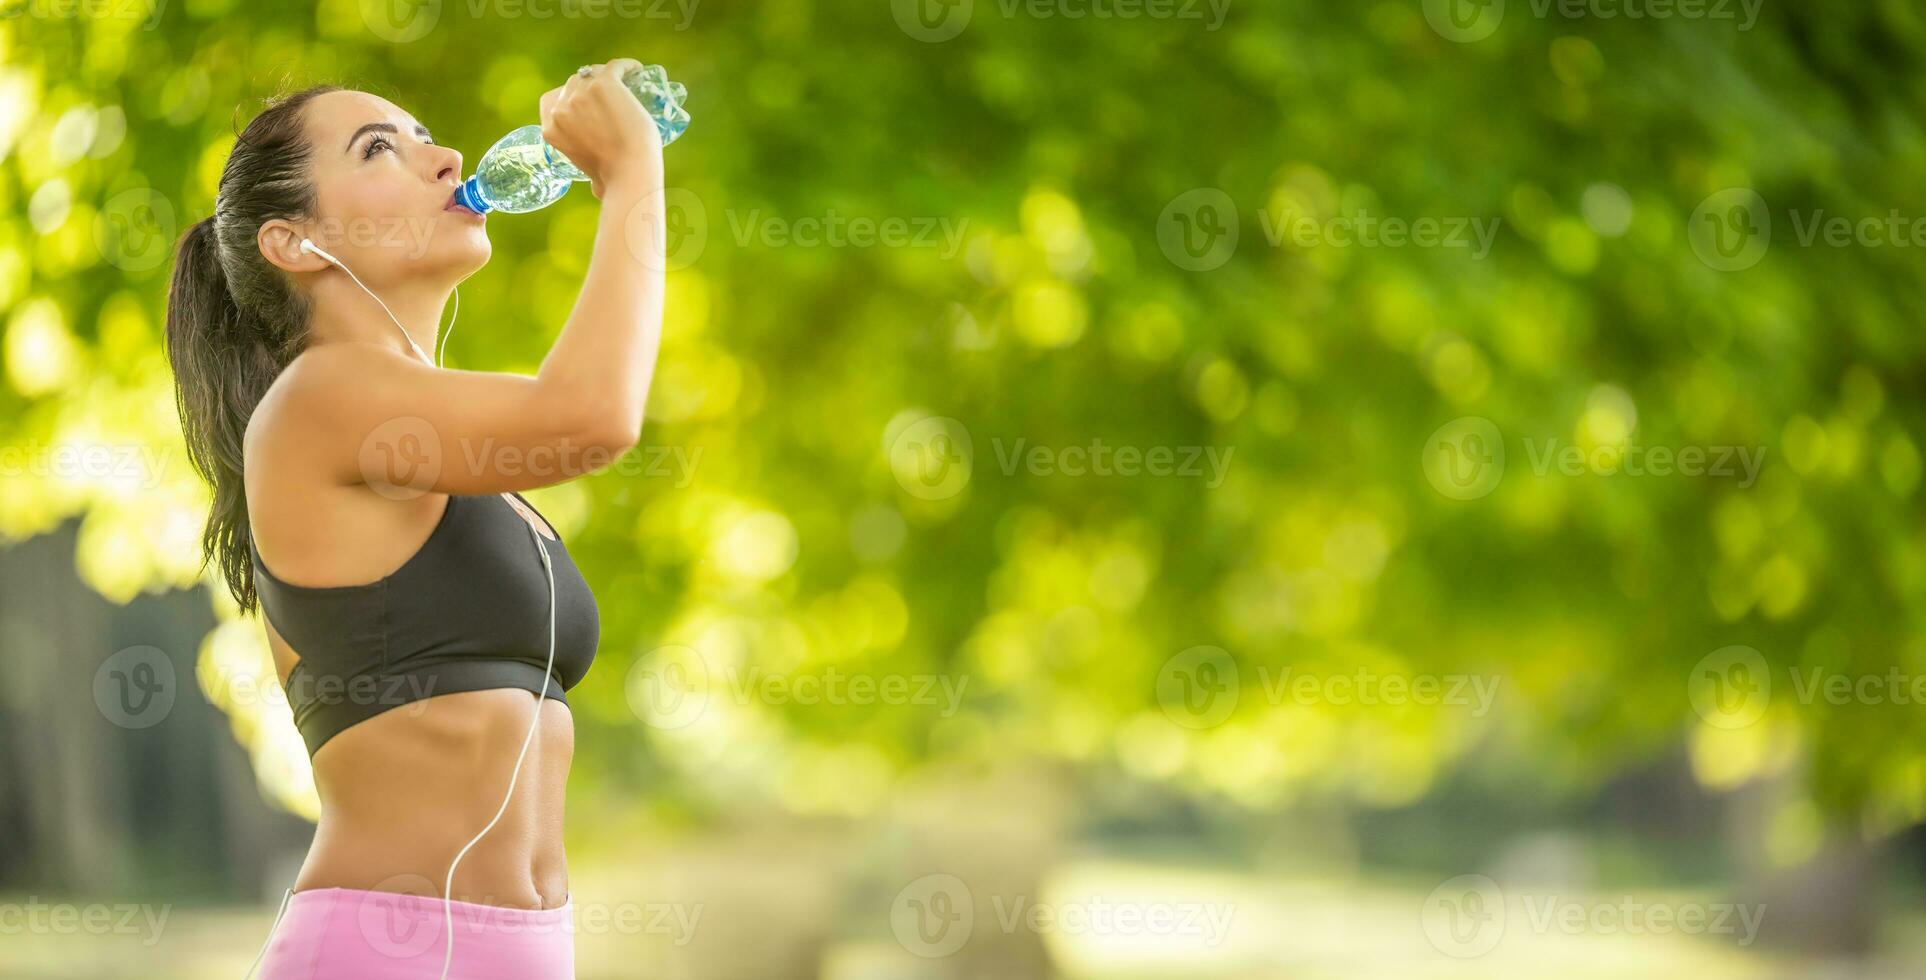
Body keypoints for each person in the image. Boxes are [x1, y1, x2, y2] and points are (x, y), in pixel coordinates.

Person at [162, 58, 665, 979]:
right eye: (381, 147)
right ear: (296, 243)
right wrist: (631, 172)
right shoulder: (320, 397)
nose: (446, 159)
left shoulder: (436, 436)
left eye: (427, 136)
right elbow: (594, 415)